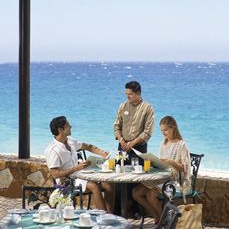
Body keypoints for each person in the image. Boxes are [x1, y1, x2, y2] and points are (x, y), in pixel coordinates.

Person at [45, 116, 115, 213]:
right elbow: (55, 174)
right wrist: (76, 167)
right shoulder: (53, 150)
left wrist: (102, 153)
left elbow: (88, 146)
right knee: (94, 186)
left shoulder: (70, 141)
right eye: (68, 125)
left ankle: (110, 215)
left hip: (80, 176)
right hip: (66, 182)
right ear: (60, 130)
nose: (71, 126)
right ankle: (104, 216)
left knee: (108, 184)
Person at [132, 116, 191, 224]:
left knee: (151, 193)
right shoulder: (163, 144)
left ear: (173, 128)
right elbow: (161, 163)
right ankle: (157, 216)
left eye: (165, 130)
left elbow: (184, 168)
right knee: (136, 193)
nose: (163, 133)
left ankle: (162, 220)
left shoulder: (181, 145)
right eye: (162, 130)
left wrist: (170, 162)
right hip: (161, 177)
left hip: (173, 180)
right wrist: (153, 162)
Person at [114, 81, 154, 217]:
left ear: (138, 93)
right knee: (119, 177)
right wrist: (121, 140)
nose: (127, 97)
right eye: (126, 94)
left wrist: (132, 143)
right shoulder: (122, 106)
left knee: (136, 179)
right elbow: (116, 126)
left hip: (139, 148)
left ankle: (136, 210)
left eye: (130, 94)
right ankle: (117, 210)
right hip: (122, 146)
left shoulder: (147, 108)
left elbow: (147, 132)